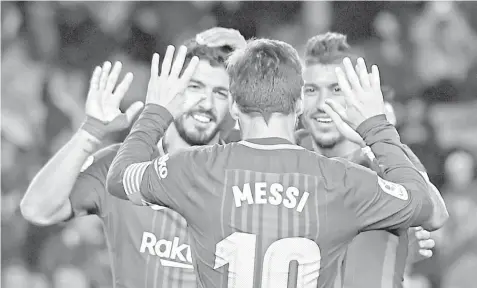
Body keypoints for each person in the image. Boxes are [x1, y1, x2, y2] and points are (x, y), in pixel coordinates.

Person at [106, 39, 446, 287]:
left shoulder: (194, 169)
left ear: (235, 108)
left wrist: (156, 113)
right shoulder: (343, 180)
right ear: (298, 104)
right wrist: (376, 128)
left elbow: (119, 178)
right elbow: (426, 206)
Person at [20, 28, 244, 288]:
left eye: (220, 93)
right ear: (169, 90)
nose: (206, 103)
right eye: (195, 87)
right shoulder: (121, 165)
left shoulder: (241, 172)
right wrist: (90, 133)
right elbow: (38, 210)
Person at [298, 32, 448, 287]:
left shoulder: (383, 154)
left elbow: (437, 216)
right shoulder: (286, 147)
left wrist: (369, 140)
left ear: (357, 95)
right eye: (311, 90)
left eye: (336, 89)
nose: (323, 103)